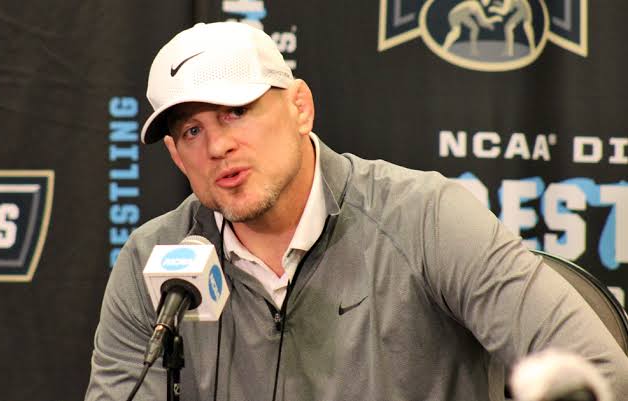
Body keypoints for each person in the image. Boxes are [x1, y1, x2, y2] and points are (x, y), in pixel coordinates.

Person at [85, 22, 628, 400]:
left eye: (237, 112)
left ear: (300, 108)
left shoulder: (426, 219)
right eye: (192, 130)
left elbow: (601, 377)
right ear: (176, 155)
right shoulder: (152, 261)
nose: (217, 146)